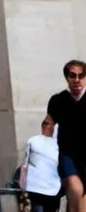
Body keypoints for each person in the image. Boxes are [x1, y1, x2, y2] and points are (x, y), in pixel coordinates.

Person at [47, 59, 86, 212]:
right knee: (75, 190)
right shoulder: (58, 100)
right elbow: (48, 125)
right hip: (68, 154)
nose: (77, 80)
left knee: (81, 204)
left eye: (81, 76)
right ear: (67, 78)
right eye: (72, 76)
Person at [19, 115, 61, 212]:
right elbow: (24, 165)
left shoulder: (33, 140)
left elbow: (24, 165)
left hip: (48, 187)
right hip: (40, 187)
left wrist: (22, 184)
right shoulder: (34, 141)